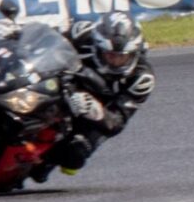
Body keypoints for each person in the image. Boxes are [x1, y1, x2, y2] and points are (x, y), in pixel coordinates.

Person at [53, 11, 155, 175]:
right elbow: (46, 42)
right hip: (65, 84)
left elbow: (117, 122)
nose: (115, 61)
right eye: (109, 55)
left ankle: (38, 165)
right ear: (98, 47)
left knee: (74, 158)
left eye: (122, 57)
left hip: (96, 112)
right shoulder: (82, 34)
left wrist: (94, 109)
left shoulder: (141, 78)